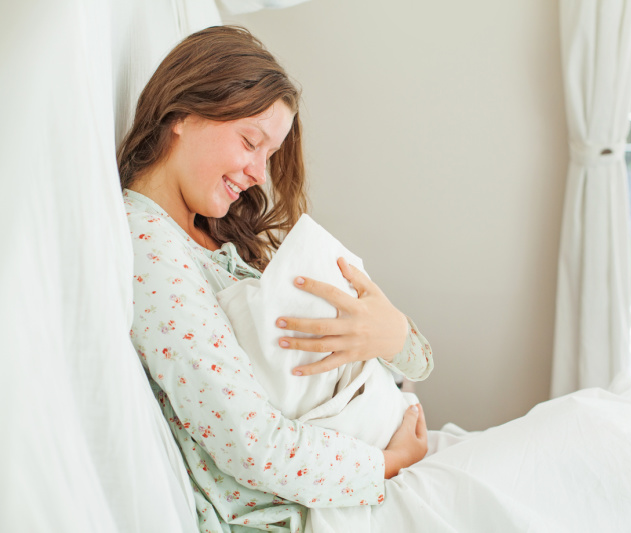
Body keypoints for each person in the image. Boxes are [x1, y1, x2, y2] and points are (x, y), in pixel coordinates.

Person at [119, 25, 433, 532]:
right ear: (181, 114)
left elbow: (416, 363)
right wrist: (391, 462)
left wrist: (394, 337)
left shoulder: (217, 239)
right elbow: (253, 445)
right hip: (290, 513)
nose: (259, 176)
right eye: (250, 142)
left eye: (269, 155)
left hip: (343, 471)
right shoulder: (149, 248)